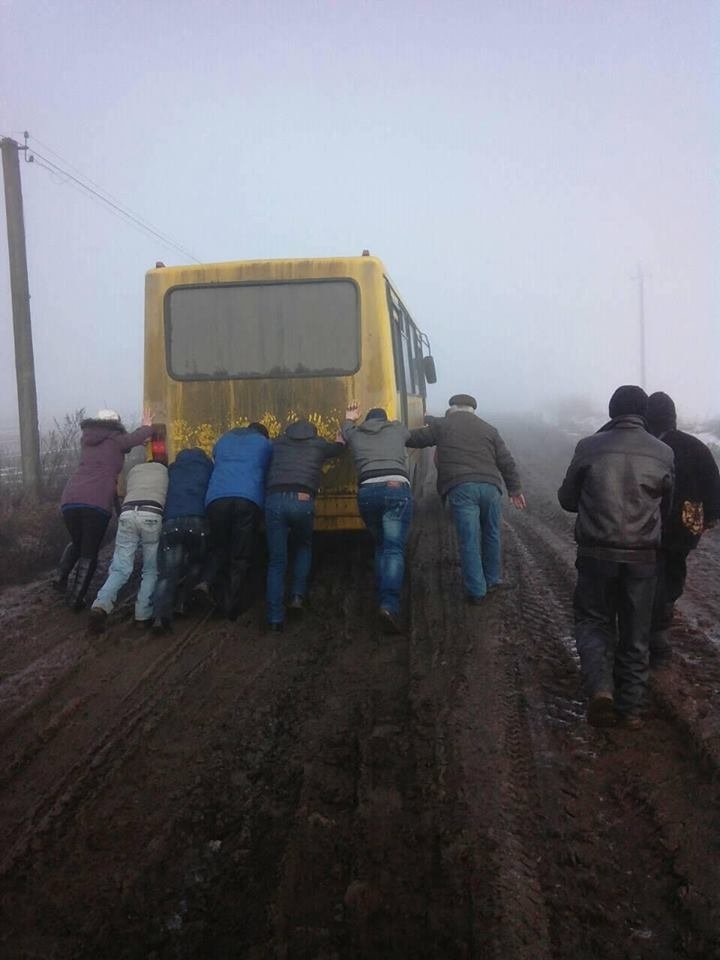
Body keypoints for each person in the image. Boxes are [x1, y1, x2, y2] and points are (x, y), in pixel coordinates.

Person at [558, 386, 674, 729]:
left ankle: (601, 689)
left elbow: (566, 499)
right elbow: (666, 507)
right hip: (643, 559)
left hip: (595, 555)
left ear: (611, 411)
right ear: (644, 414)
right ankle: (631, 710)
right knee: (636, 634)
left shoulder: (588, 446)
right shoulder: (663, 453)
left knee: (594, 621)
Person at [406, 394, 526, 602]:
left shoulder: (443, 425)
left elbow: (415, 438)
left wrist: (390, 432)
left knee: (469, 538)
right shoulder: (489, 429)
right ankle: (492, 579)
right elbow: (507, 461)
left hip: (462, 487)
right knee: (491, 534)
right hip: (491, 488)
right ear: (473, 410)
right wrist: (514, 490)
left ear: (452, 408)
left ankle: (476, 591)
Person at [646, 391, 720, 664]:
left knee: (651, 575)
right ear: (673, 417)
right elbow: (713, 484)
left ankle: (654, 633)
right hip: (685, 527)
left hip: (647, 526)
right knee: (673, 571)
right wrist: (710, 516)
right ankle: (661, 623)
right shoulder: (696, 446)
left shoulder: (645, 446)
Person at [55, 409, 154, 610]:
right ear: (116, 424)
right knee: (89, 552)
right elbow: (133, 439)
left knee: (78, 542)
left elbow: (121, 445)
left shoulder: (88, 439)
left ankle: (60, 578)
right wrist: (147, 426)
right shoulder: (116, 440)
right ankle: (76, 600)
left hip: (70, 499)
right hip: (95, 501)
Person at [264, 420, 345, 631]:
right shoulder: (318, 444)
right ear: (313, 433)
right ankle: (297, 596)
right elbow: (338, 449)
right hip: (302, 500)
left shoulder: (277, 443)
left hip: (274, 500)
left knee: (277, 561)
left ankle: (274, 619)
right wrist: (340, 439)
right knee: (303, 546)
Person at [342, 402, 413, 633]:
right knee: (393, 547)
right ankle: (389, 604)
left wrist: (350, 417)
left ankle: (383, 591)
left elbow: (345, 431)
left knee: (381, 544)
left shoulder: (355, 434)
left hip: (367, 492)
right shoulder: (396, 429)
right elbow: (407, 431)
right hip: (395, 488)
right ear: (385, 420)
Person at [200, 422, 272, 620]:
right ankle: (230, 607)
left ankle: (206, 581)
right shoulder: (264, 444)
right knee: (240, 556)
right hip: (246, 500)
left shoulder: (224, 440)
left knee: (219, 547)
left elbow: (216, 459)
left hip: (216, 500)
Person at [88, 459, 169, 631]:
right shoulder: (165, 472)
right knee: (150, 569)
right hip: (151, 514)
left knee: (120, 568)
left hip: (127, 514)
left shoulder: (134, 470)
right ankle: (142, 614)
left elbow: (120, 492)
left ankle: (101, 604)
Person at [151, 447, 214, 634]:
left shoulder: (172, 470)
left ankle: (159, 616)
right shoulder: (209, 468)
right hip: (197, 522)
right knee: (197, 562)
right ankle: (183, 602)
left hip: (171, 522)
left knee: (168, 572)